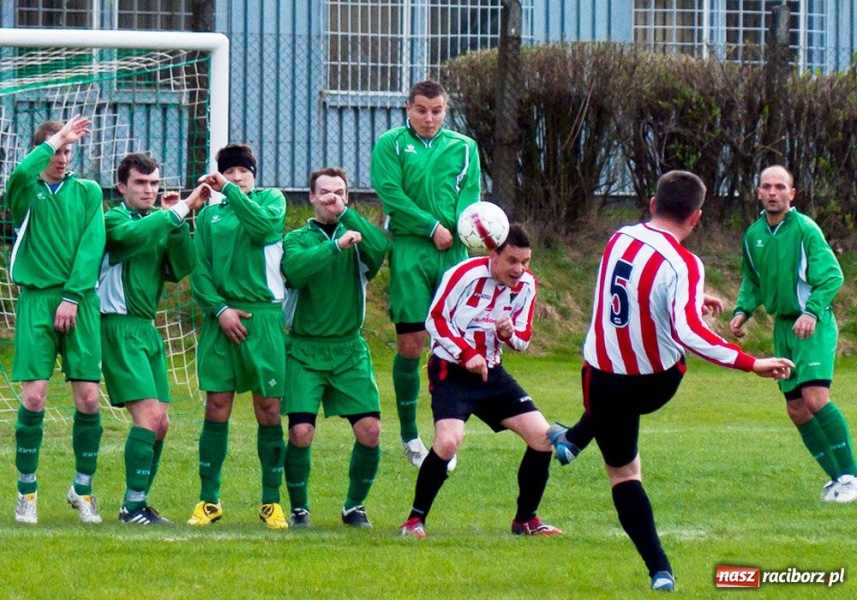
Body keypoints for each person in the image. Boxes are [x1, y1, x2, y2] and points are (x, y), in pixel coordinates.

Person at [572, 170, 794, 591]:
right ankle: (577, 437)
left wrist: (692, 298)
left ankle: (659, 568)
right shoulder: (684, 262)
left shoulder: (618, 237)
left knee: (622, 474)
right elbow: (688, 332)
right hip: (654, 382)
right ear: (696, 218)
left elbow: (623, 290)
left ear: (653, 205)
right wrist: (752, 363)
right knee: (633, 455)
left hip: (599, 379)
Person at [399, 225, 562, 538]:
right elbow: (435, 320)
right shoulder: (465, 275)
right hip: (452, 372)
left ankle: (526, 521)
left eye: (525, 262)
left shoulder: (526, 284)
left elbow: (524, 339)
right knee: (447, 442)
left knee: (543, 438)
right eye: (512, 261)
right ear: (494, 255)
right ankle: (414, 520)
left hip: (492, 374)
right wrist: (466, 354)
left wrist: (508, 334)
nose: (520, 269)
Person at [370, 80, 481, 468]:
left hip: (453, 254)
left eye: (436, 111)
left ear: (445, 110)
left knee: (452, 346)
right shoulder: (391, 144)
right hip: (411, 251)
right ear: (408, 109)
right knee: (411, 345)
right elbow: (390, 194)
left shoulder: (465, 147)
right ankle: (408, 435)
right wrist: (431, 226)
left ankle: (443, 438)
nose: (429, 118)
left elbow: (471, 196)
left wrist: (469, 231)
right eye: (421, 110)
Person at [730, 165, 857, 503]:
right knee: (797, 409)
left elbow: (832, 276)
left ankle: (850, 477)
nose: (773, 193)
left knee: (815, 398)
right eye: (766, 187)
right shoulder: (753, 234)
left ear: (792, 194)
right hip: (783, 328)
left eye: (780, 187)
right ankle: (837, 481)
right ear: (758, 192)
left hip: (812, 325)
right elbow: (752, 280)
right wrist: (742, 311)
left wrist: (812, 311)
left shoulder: (805, 229)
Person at [98, 153, 210, 524]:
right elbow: (132, 237)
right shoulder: (114, 220)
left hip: (147, 329)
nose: (149, 190)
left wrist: (178, 223)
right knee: (147, 417)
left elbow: (181, 266)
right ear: (122, 187)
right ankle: (131, 507)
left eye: (154, 184)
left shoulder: (158, 222)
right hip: (118, 326)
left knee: (162, 422)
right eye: (141, 184)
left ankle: (138, 502)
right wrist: (176, 213)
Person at [8, 115, 106, 525]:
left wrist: (71, 296)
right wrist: (54, 140)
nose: (64, 158)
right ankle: (26, 493)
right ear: (42, 152)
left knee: (88, 399)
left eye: (69, 151)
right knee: (34, 398)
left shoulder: (87, 192)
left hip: (78, 299)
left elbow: (92, 245)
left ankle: (82, 490)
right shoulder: (24, 191)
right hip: (36, 300)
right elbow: (18, 173)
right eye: (58, 150)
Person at [187, 143, 289, 530]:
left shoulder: (272, 201)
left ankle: (270, 501)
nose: (236, 177)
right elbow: (199, 270)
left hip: (263, 319)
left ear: (253, 173)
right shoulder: (211, 216)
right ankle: (209, 499)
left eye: (242, 171)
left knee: (269, 409)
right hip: (222, 317)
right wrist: (220, 310)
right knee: (216, 406)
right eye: (228, 172)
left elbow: (263, 228)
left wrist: (228, 191)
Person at [281, 167, 389, 528]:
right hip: (305, 349)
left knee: (370, 431)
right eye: (324, 193)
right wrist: (333, 246)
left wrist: (347, 219)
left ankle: (354, 506)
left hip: (348, 350)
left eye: (339, 192)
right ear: (310, 197)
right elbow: (295, 271)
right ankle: (299, 508)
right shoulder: (296, 238)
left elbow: (380, 249)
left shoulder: (357, 236)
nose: (332, 198)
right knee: (300, 433)